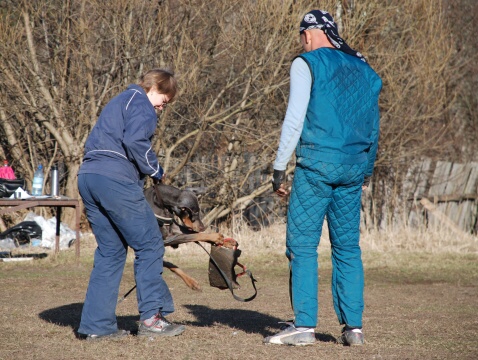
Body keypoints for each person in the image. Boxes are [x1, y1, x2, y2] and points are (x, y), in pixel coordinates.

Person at [264, 10, 382, 346]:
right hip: (352, 168)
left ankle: (303, 327)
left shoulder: (307, 63)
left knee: (302, 245)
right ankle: (354, 329)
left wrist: (278, 168)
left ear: (312, 33)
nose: (301, 43)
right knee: (347, 248)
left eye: (302, 35)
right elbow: (374, 128)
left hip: (316, 166)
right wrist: (366, 170)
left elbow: (294, 119)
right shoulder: (365, 70)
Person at [77, 69, 186, 340]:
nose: (163, 105)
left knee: (111, 252)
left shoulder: (118, 100)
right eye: (164, 98)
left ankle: (96, 327)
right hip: (114, 179)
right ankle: (151, 319)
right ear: (153, 87)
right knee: (150, 244)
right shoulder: (141, 103)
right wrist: (156, 170)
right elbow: (135, 141)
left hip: (89, 176)